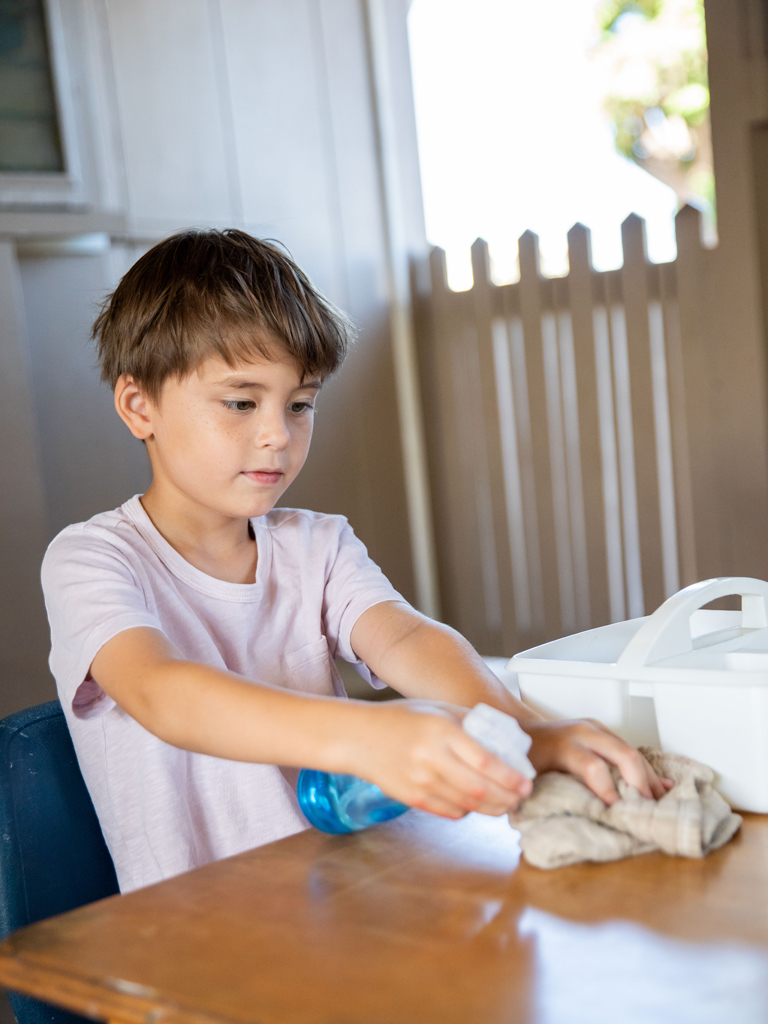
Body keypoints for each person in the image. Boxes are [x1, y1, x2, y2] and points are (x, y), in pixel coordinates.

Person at [41, 229, 669, 893]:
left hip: (344, 904)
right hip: (192, 942)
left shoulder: (317, 544)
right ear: (140, 406)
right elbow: (162, 693)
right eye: (241, 402)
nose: (277, 434)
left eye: (301, 404)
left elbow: (404, 636)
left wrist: (522, 732)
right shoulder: (92, 558)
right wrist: (367, 736)